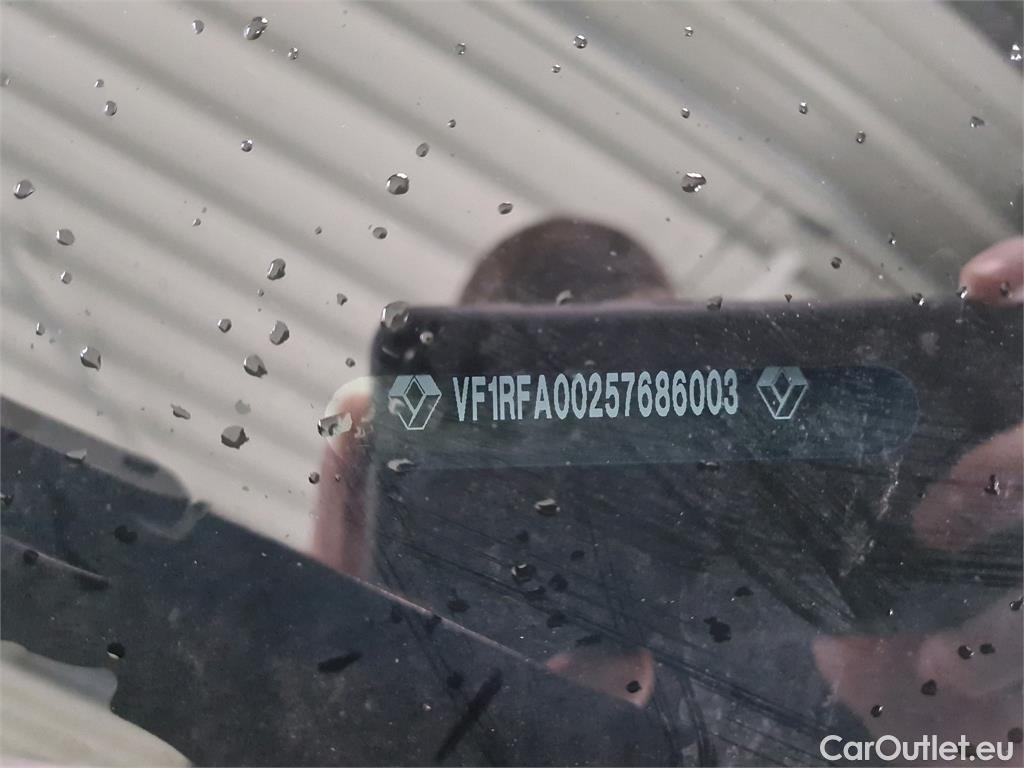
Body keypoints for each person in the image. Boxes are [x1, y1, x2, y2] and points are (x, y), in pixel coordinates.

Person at [312, 221, 1023, 747]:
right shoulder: (438, 684)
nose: (620, 468)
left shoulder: (838, 631)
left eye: (647, 379)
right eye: (558, 427)